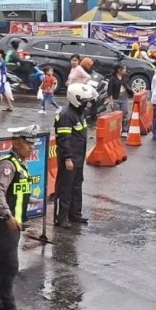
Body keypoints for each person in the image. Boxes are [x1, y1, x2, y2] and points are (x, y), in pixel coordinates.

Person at [0, 124, 41, 310]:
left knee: (2, 262)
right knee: (11, 265)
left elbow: (16, 192)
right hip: (3, 224)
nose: (31, 148)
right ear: (16, 143)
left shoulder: (20, 164)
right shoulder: (7, 165)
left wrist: (33, 200)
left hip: (13, 224)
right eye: (27, 144)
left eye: (33, 145)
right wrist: (7, 216)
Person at [54, 83, 98, 228]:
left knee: (76, 186)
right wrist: (67, 158)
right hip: (70, 159)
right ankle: (61, 219)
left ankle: (75, 214)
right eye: (84, 101)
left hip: (79, 158)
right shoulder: (66, 116)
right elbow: (63, 139)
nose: (86, 104)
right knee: (65, 188)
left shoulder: (79, 113)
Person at [107, 63, 133, 137]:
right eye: (124, 69)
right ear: (119, 70)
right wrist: (111, 100)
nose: (125, 70)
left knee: (125, 113)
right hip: (116, 98)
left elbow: (128, 86)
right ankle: (116, 131)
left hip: (124, 97)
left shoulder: (126, 77)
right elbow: (110, 90)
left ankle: (125, 130)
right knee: (116, 115)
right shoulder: (112, 79)